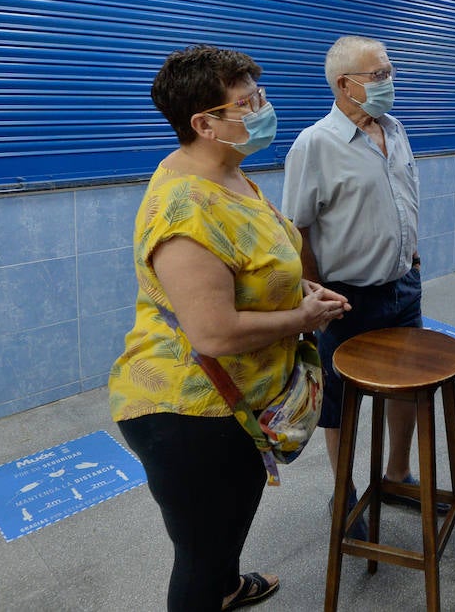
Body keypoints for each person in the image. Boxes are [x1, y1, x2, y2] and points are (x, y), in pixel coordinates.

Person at [109, 45, 350, 612]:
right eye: (247, 102)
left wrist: (300, 290)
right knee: (199, 554)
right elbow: (213, 333)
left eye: (259, 95)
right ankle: (212, 589)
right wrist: (305, 317)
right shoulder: (185, 209)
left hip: (241, 398)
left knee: (224, 534)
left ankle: (229, 587)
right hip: (191, 414)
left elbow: (252, 267)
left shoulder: (227, 172)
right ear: (204, 123)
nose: (263, 108)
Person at [282, 35, 425, 540]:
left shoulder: (395, 128)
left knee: (408, 387)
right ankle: (343, 493)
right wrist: (315, 293)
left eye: (389, 71)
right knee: (340, 402)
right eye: (379, 75)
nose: (390, 82)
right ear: (345, 85)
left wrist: (409, 249)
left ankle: (397, 472)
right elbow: (295, 227)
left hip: (403, 287)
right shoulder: (315, 144)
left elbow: (403, 194)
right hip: (346, 298)